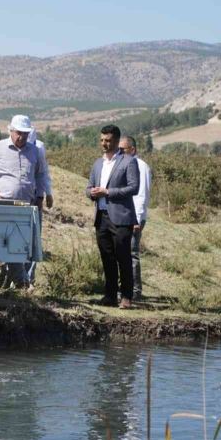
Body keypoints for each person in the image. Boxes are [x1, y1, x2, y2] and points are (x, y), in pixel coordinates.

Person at [0, 115, 45, 287]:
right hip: (3, 206)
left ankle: (9, 284)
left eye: (25, 134)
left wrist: (40, 196)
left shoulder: (35, 151)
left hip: (27, 207)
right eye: (18, 133)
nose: (21, 137)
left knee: (23, 247)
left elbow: (41, 174)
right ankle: (21, 283)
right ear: (11, 131)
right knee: (9, 246)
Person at [86, 125, 139, 309]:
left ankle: (126, 297)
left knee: (123, 257)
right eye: (102, 140)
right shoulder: (98, 163)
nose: (104, 144)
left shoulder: (128, 161)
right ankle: (109, 295)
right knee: (106, 257)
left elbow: (134, 188)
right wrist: (92, 193)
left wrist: (107, 192)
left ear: (116, 141)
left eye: (107, 140)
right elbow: (89, 187)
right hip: (101, 217)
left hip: (121, 217)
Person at [118, 135, 151, 300]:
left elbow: (141, 194)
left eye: (123, 149)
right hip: (124, 215)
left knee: (132, 253)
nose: (120, 152)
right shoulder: (123, 164)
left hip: (134, 217)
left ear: (133, 149)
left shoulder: (140, 166)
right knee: (123, 252)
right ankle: (125, 287)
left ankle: (135, 290)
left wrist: (137, 219)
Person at [26, 127, 53, 283]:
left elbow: (43, 173)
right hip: (18, 197)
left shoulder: (39, 147)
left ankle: (29, 278)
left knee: (34, 237)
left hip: (35, 197)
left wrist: (46, 193)